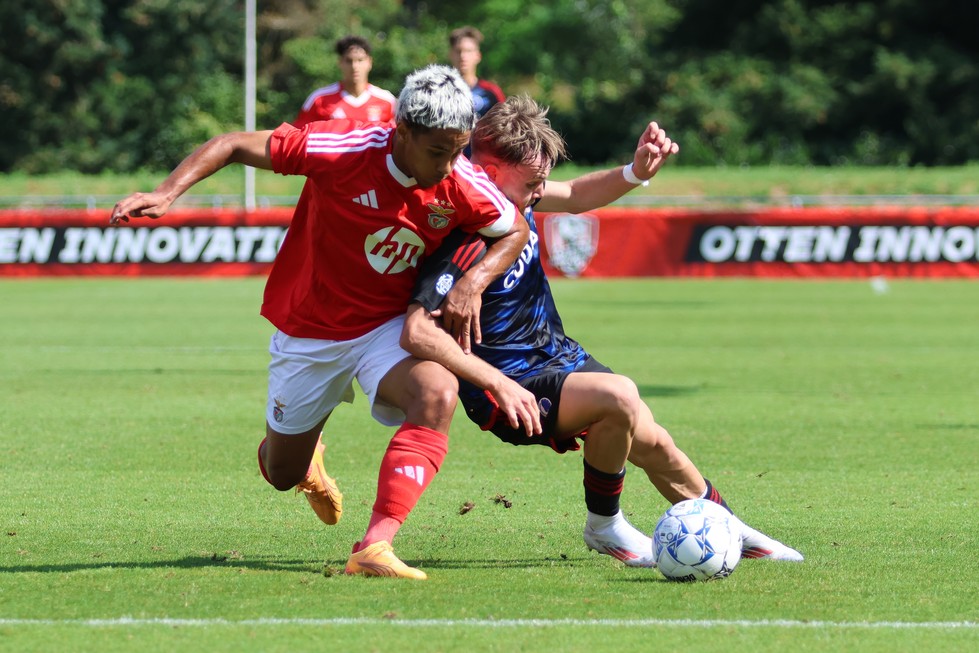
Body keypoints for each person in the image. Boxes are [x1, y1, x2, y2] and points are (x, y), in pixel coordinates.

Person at [109, 65, 541, 581]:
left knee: (436, 393)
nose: (450, 166)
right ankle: (305, 458)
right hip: (309, 331)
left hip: (384, 328)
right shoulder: (341, 147)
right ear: (401, 131)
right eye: (437, 152)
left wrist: (473, 284)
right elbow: (230, 144)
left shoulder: (461, 181)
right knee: (280, 472)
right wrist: (167, 193)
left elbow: (512, 229)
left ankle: (375, 545)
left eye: (457, 150)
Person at [402, 95, 804, 567]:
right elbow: (415, 330)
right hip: (509, 383)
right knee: (619, 397)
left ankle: (727, 527)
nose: (539, 192)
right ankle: (604, 525)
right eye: (532, 183)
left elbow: (575, 196)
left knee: (654, 441)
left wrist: (635, 172)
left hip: (555, 355)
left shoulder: (513, 197)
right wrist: (494, 382)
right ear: (490, 176)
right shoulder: (461, 232)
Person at [293, 35, 397, 127]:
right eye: (349, 61)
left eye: (360, 60)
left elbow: (401, 140)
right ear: (340, 62)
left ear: (369, 62)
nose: (354, 66)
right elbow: (299, 137)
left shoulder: (387, 101)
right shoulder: (319, 99)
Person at [448, 26, 505, 158]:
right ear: (451, 54)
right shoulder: (440, 93)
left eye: (468, 51)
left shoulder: (490, 93)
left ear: (477, 56)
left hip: (482, 166)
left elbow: (506, 131)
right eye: (458, 51)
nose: (463, 56)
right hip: (449, 165)